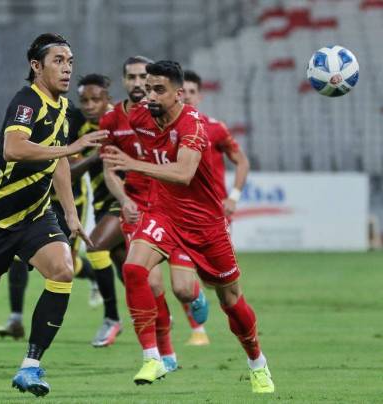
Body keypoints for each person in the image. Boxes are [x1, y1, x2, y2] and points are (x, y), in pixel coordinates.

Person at [0, 33, 107, 403]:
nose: (67, 68)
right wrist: (74, 146)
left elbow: (59, 161)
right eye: (58, 61)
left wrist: (70, 212)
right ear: (36, 66)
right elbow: (14, 148)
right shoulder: (26, 102)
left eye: (70, 60)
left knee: (64, 269)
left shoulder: (63, 107)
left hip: (36, 216)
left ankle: (30, 365)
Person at [101, 61, 274, 393]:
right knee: (134, 269)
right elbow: (113, 122)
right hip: (162, 214)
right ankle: (152, 358)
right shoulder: (140, 114)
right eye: (147, 87)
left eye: (158, 89)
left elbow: (183, 174)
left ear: (179, 94)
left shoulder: (194, 125)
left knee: (231, 301)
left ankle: (258, 364)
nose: (149, 94)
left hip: (205, 225)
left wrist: (135, 164)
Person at [102, 56, 209, 361]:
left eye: (143, 78)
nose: (138, 84)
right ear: (124, 81)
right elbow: (110, 169)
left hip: (173, 206)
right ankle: (166, 354)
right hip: (138, 206)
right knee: (149, 283)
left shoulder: (173, 116)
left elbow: (185, 166)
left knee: (184, 290)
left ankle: (196, 293)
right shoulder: (114, 121)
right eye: (132, 78)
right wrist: (124, 200)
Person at [0, 104, 100, 341]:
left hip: (69, 203)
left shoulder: (69, 128)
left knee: (66, 264)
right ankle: (16, 318)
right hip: (37, 202)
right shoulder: (26, 123)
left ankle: (93, 277)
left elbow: (68, 169)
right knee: (16, 258)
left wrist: (86, 155)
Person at [177, 69, 251, 346]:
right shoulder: (166, 129)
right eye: (182, 92)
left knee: (214, 282)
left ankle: (203, 300)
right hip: (178, 215)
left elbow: (241, 161)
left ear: (200, 95)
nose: (186, 97)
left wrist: (233, 196)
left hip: (213, 216)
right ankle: (197, 330)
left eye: (192, 92)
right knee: (182, 285)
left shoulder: (215, 128)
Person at [73, 74, 126, 347]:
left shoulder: (124, 119)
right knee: (126, 267)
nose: (90, 105)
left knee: (95, 248)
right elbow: (69, 172)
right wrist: (93, 154)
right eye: (84, 100)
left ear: (109, 99)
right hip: (102, 205)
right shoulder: (79, 127)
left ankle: (112, 319)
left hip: (131, 199)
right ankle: (155, 314)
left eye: (96, 99)